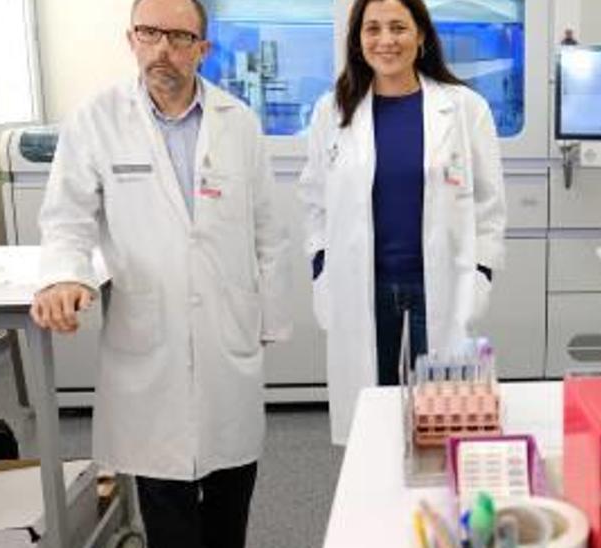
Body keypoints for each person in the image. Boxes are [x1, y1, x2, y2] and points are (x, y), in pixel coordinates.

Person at [29, 0, 291, 545]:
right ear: (131, 39)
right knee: (166, 505)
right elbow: (66, 219)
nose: (162, 50)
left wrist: (269, 319)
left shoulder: (237, 123)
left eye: (178, 37)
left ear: (203, 49)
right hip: (149, 334)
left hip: (226, 334)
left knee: (230, 491)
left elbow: (270, 230)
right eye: (149, 34)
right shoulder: (97, 120)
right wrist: (64, 275)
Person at [299, 0, 506, 445]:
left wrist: (482, 272)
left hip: (440, 283)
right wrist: (321, 268)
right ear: (358, 40)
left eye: (398, 27)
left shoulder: (464, 108)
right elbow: (314, 200)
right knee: (372, 419)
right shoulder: (332, 111)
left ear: (421, 36)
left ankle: (436, 505)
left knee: (444, 416)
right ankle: (376, 499)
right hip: (363, 285)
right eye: (372, 28)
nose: (386, 39)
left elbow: (490, 204)